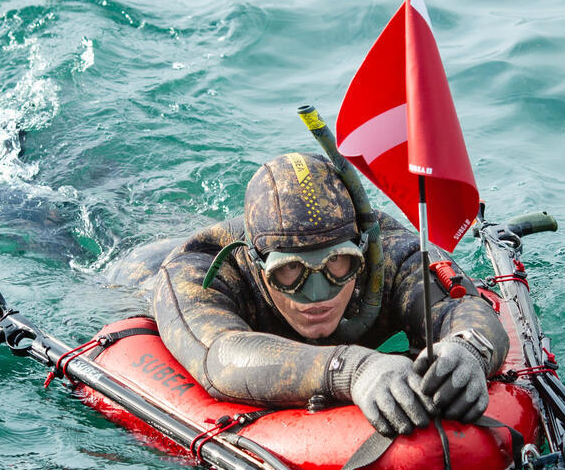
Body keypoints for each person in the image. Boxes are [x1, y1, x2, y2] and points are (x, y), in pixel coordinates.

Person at [115, 152, 508, 437]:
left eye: (338, 264)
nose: (318, 295)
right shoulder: (197, 274)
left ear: (361, 251)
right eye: (290, 271)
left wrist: (469, 349)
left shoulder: (391, 252)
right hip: (131, 267)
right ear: (256, 263)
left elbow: (461, 307)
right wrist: (352, 369)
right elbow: (220, 357)